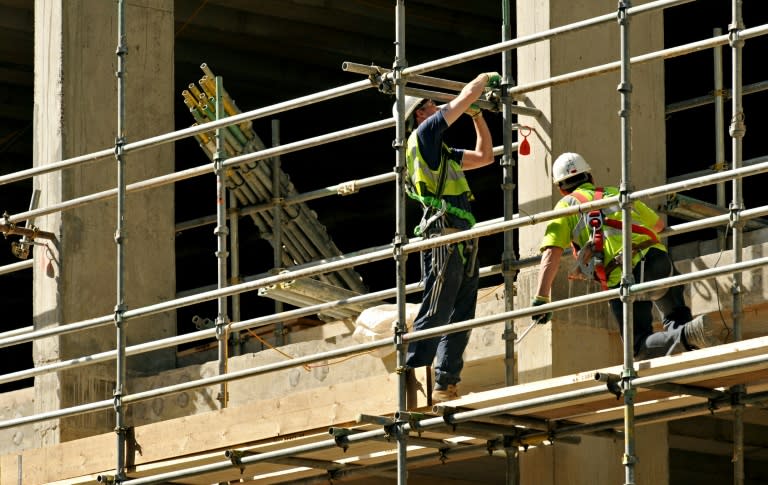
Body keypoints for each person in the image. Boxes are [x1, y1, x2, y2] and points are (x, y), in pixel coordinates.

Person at [531, 152, 725, 359]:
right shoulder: (617, 194)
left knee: (637, 347)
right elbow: (659, 226)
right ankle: (692, 341)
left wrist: (542, 298)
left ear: (561, 189)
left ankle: (687, 336)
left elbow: (552, 252)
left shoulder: (566, 206)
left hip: (627, 272)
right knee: (676, 318)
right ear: (591, 177)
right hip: (659, 260)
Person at [398, 72, 498, 403]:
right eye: (431, 105)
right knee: (438, 305)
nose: (438, 107)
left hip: (463, 235)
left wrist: (478, 116)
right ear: (419, 115)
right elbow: (465, 95)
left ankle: (446, 381)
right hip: (443, 233)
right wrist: (484, 78)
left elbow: (485, 156)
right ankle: (411, 372)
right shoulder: (424, 136)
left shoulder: (441, 150)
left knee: (462, 310)